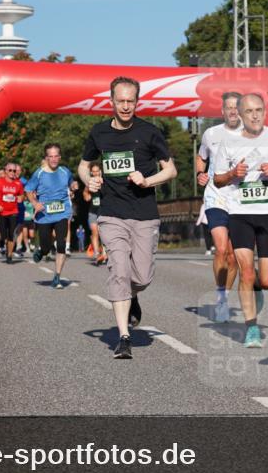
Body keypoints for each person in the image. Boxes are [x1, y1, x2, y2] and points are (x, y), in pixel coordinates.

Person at [78, 76, 177, 359]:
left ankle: (133, 295)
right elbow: (84, 166)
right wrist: (89, 181)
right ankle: (123, 337)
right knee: (119, 268)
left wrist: (147, 180)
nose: (125, 106)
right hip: (111, 213)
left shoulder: (149, 133)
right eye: (120, 101)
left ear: (137, 102)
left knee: (142, 276)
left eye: (130, 101)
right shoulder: (99, 133)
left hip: (144, 214)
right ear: (111, 101)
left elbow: (170, 171)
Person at [213, 93, 268, 348]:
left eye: (259, 110)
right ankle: (251, 327)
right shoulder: (228, 142)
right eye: (249, 111)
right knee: (246, 271)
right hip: (240, 213)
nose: (255, 115)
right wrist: (232, 173)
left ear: (265, 111)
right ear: (239, 114)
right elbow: (217, 179)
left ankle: (258, 289)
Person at [197, 91, 243, 323]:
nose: (233, 111)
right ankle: (221, 297)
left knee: (234, 257)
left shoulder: (253, 134)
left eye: (237, 107)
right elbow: (200, 157)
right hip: (216, 196)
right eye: (229, 107)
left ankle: (225, 296)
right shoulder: (211, 134)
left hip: (241, 199)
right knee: (222, 249)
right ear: (222, 111)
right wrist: (200, 173)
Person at [25, 143, 75, 288]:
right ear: (46, 158)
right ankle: (42, 251)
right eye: (50, 156)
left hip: (62, 213)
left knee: (61, 244)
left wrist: (73, 186)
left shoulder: (65, 171)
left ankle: (57, 277)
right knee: (46, 246)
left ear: (60, 157)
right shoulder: (39, 173)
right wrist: (35, 203)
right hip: (44, 215)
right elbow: (28, 189)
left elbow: (71, 181)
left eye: (56, 156)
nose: (53, 159)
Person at [0, 162, 25, 263]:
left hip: (13, 211)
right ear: (6, 171)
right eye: (10, 170)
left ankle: (9, 255)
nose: (13, 172)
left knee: (11, 234)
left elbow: (22, 195)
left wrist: (20, 198)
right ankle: (2, 243)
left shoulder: (18, 183)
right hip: (2, 212)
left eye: (14, 170)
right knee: (3, 235)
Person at [82, 162, 107, 265]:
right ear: (91, 173)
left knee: (104, 233)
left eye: (97, 171)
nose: (96, 173)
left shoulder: (105, 181)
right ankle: (97, 254)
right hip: (93, 211)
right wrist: (86, 196)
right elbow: (85, 193)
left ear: (100, 171)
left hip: (105, 211)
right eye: (94, 171)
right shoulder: (90, 182)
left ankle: (105, 253)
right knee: (95, 232)